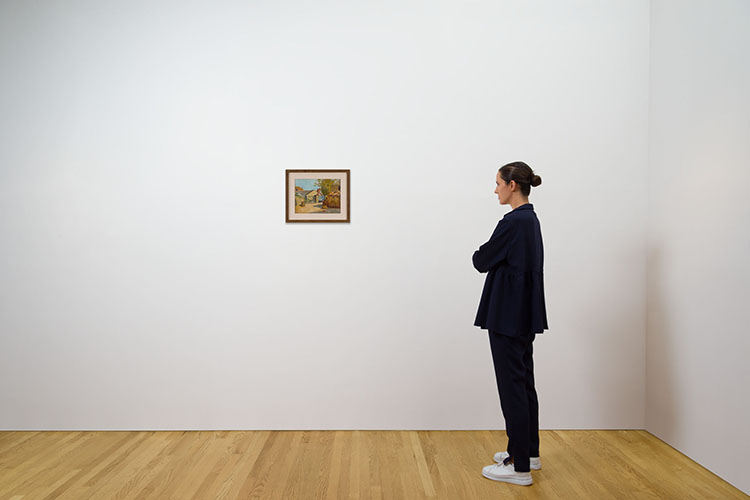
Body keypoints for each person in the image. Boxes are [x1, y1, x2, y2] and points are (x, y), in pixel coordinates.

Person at [472, 161, 548, 486]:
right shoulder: (531, 220)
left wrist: (484, 254)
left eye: (498, 183)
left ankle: (519, 467)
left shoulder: (513, 222)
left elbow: (481, 259)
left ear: (512, 185)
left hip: (506, 316)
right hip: (525, 314)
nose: (496, 189)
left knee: (512, 387)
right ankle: (528, 451)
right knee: (524, 382)